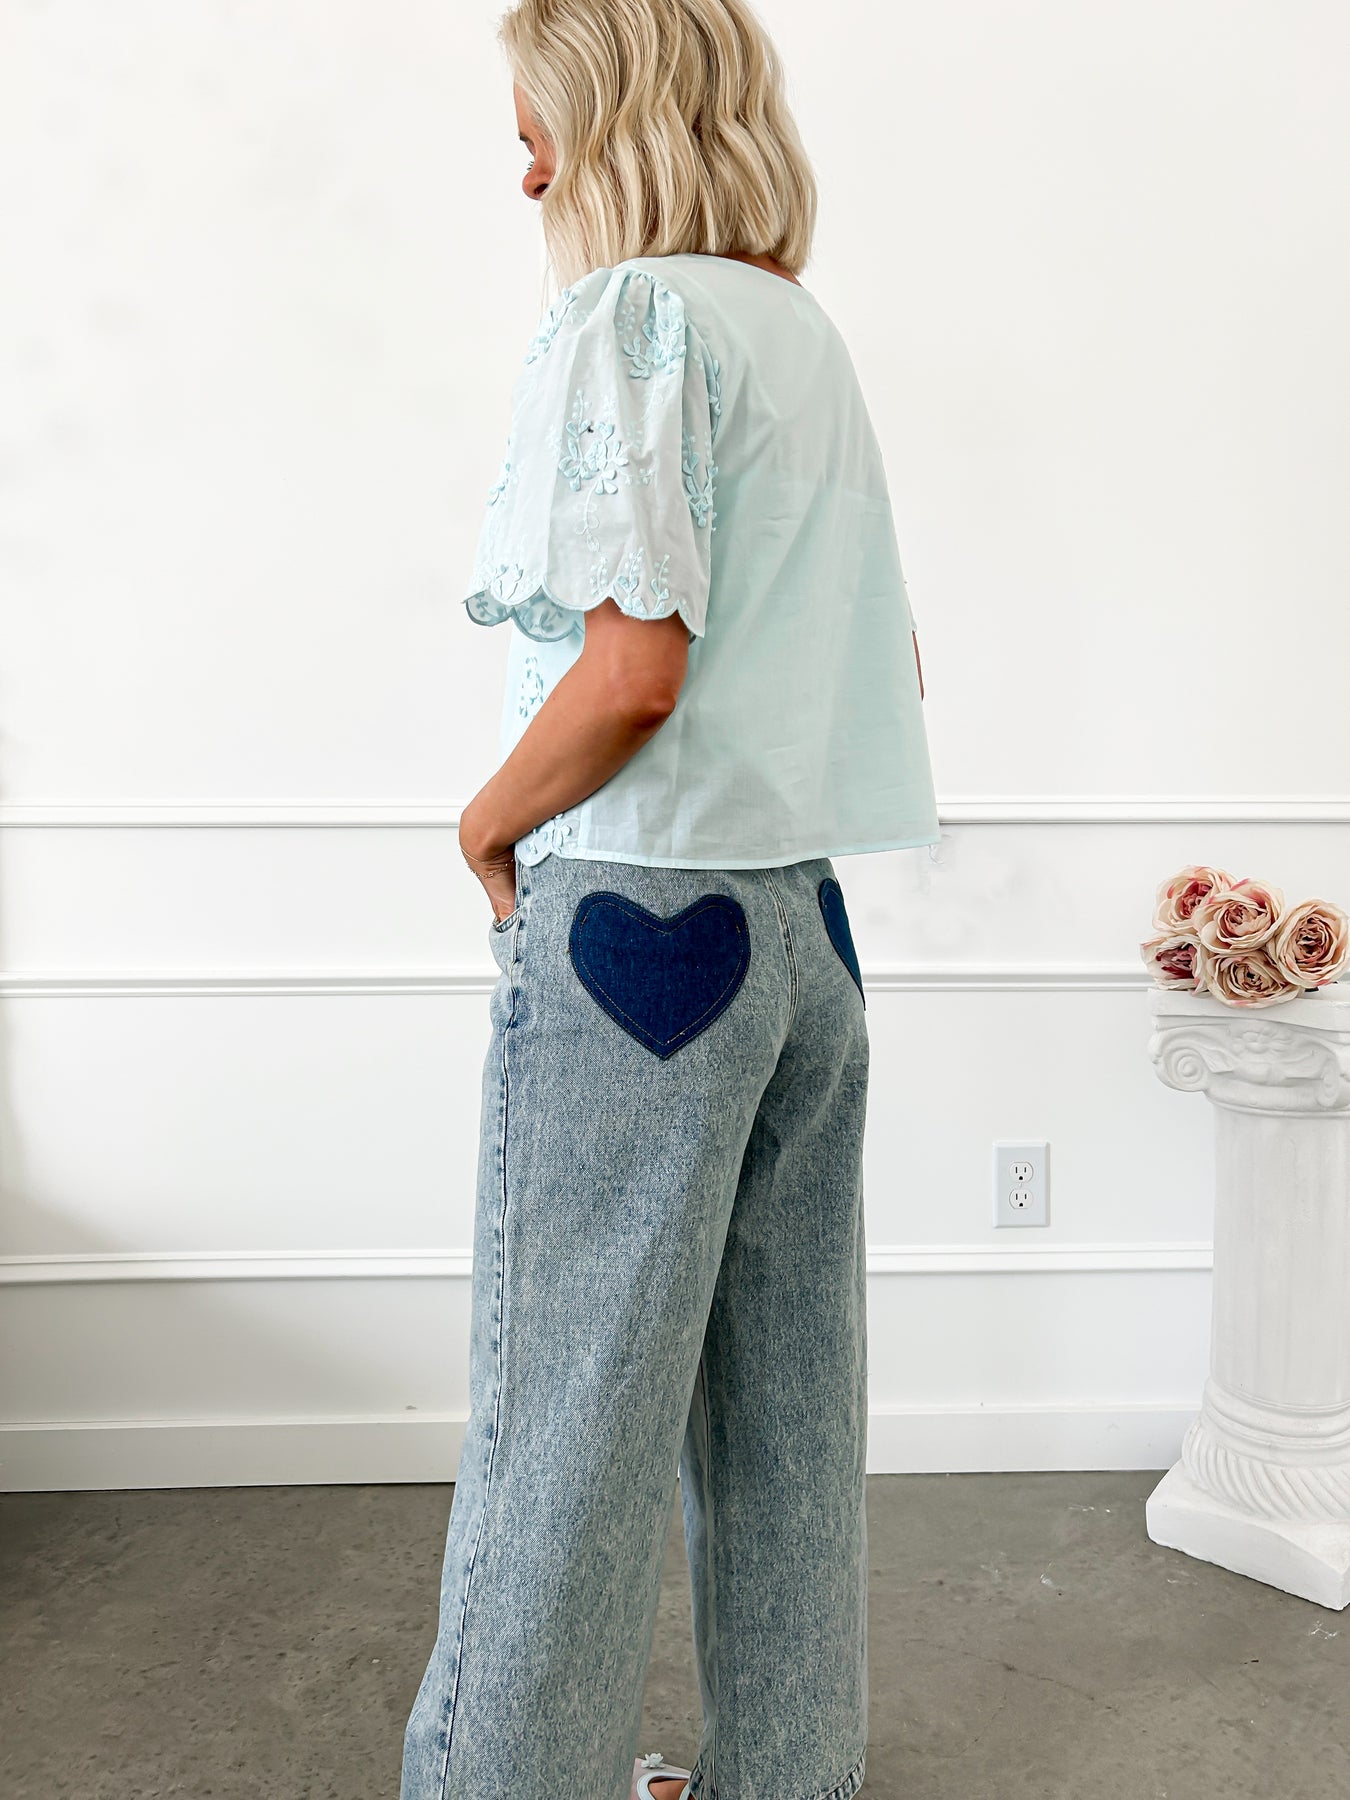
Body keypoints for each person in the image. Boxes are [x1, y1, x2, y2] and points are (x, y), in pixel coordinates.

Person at [401, 2, 940, 1796]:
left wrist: (486, 823)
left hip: (637, 928)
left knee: (565, 1421)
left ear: (612, 118)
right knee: (788, 1413)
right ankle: (788, 1776)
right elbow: (889, 663)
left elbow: (633, 673)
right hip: (803, 933)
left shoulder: (628, 318)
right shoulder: (801, 334)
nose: (526, 171)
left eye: (537, 126)